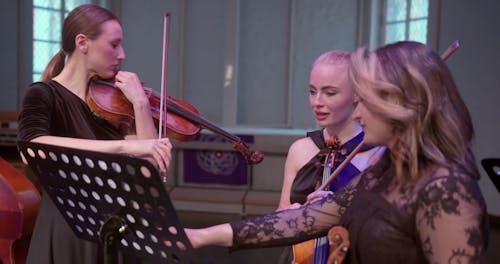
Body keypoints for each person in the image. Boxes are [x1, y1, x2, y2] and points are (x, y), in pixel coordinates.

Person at [185, 41, 489, 263]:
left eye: (364, 103)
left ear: (400, 107)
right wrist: (201, 236)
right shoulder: (383, 172)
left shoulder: (448, 191)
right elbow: (302, 220)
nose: (357, 115)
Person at [17, 4, 172, 264]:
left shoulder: (118, 101)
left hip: (118, 226)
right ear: (82, 43)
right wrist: (123, 148)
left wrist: (141, 105)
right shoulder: (43, 93)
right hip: (70, 226)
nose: (122, 54)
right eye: (114, 45)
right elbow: (31, 147)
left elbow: (149, 168)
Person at [277, 50, 385, 263]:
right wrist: (293, 213)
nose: (317, 102)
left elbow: (384, 229)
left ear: (357, 94)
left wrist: (339, 209)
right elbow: (280, 212)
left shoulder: (377, 153)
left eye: (330, 93)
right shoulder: (300, 150)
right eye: (312, 91)